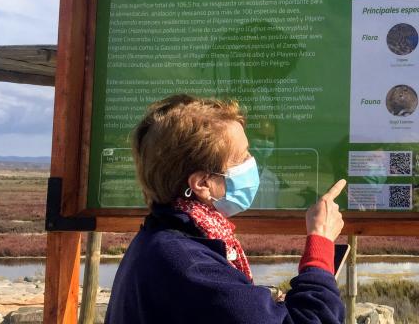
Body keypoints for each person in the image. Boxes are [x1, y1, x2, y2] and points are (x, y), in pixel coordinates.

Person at [105, 94, 345, 324]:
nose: (253, 162)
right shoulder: (188, 264)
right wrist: (320, 244)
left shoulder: (166, 239)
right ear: (202, 183)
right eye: (242, 157)